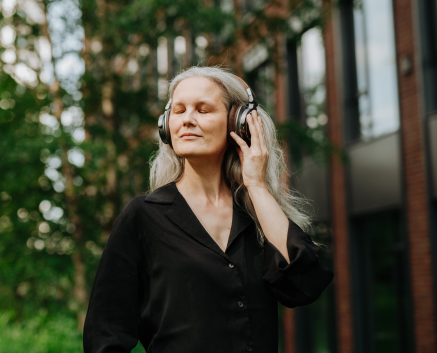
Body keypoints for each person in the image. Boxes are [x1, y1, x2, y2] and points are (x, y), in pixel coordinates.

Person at [82, 66, 334, 353]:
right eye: (179, 110)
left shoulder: (258, 216)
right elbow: (104, 337)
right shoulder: (143, 216)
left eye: (203, 110)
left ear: (239, 123)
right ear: (166, 125)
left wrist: (256, 185)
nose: (187, 120)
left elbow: (305, 285)